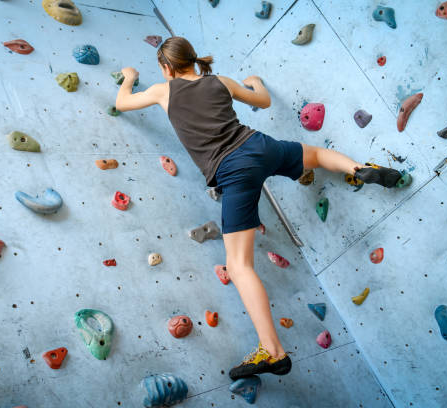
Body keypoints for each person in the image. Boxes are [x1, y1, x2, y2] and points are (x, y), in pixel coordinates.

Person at [115, 36, 405, 380]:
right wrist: (254, 83)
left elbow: (122, 103)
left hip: (232, 171)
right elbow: (263, 100)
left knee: (238, 266)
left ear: (166, 68)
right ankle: (358, 169)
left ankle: (272, 350)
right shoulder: (218, 81)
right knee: (314, 154)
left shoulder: (163, 91)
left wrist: (130, 77)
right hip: (257, 144)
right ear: (192, 60)